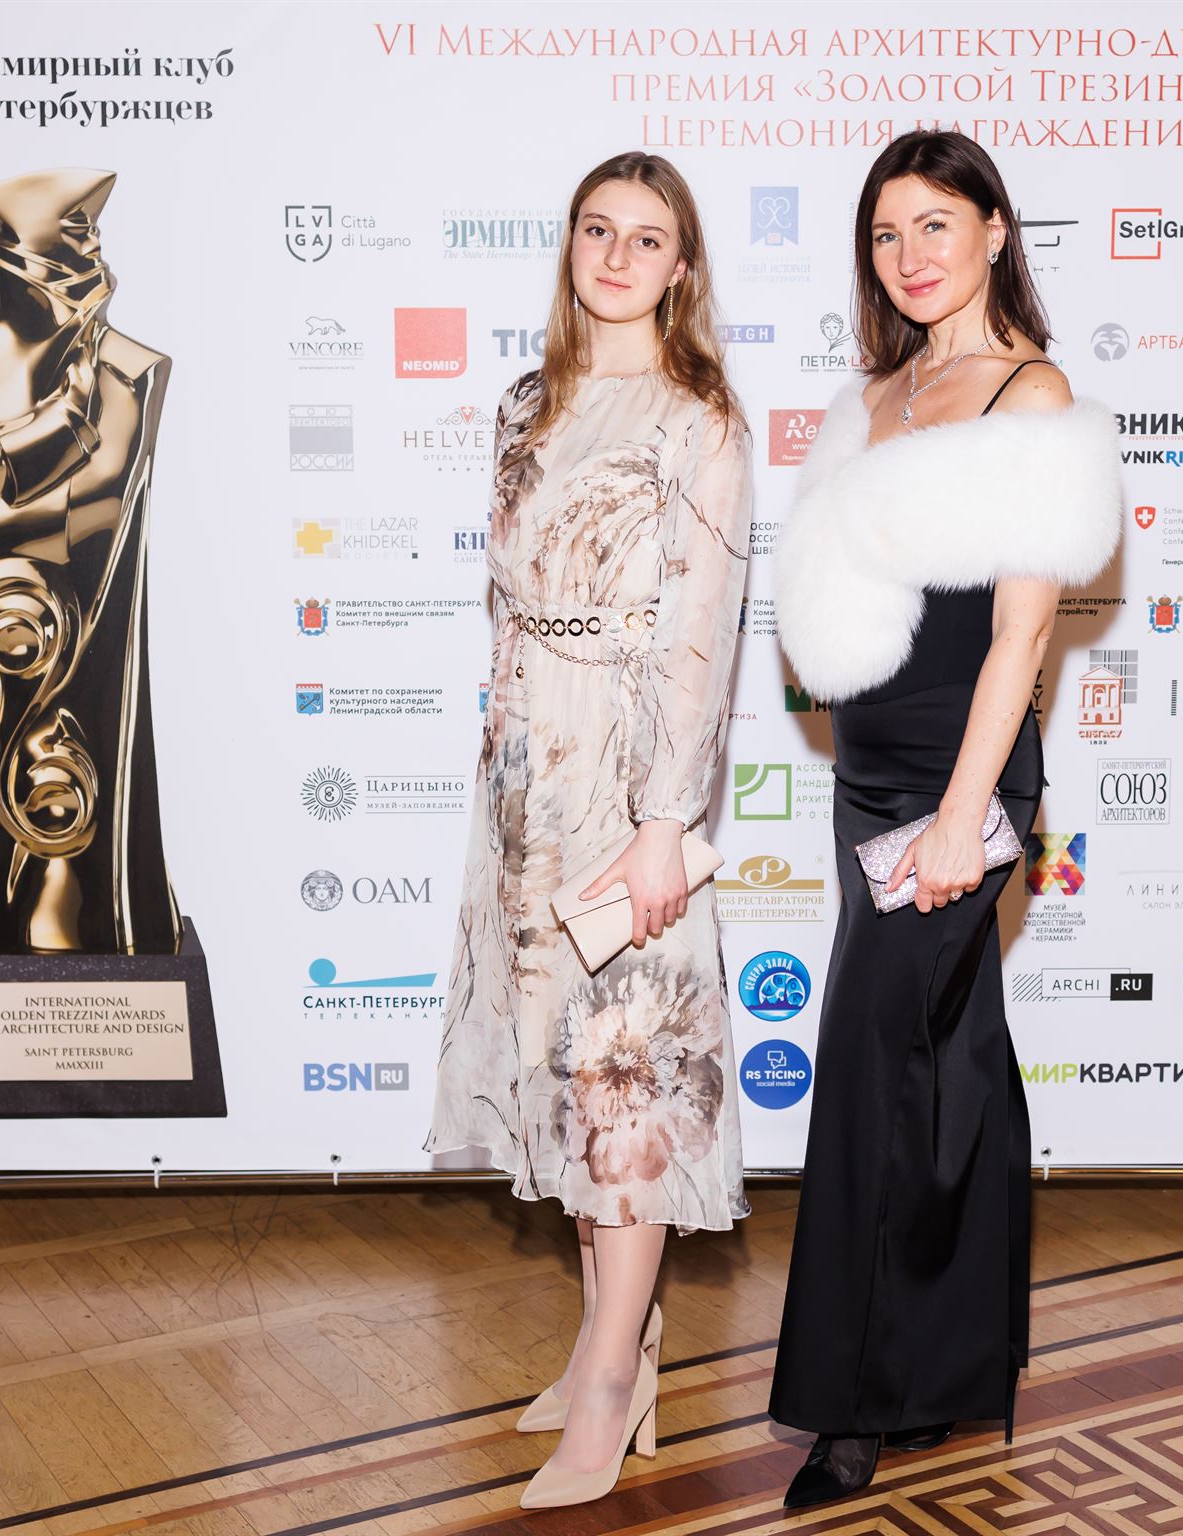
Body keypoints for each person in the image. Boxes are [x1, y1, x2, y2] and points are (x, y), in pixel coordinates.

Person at [769, 130, 1122, 1508]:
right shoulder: (876, 393)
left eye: (935, 225)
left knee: (876, 1062)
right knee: (950, 1059)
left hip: (963, 778)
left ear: (993, 230)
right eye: (885, 233)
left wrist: (962, 817)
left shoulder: (1034, 394)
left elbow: (1021, 635)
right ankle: (951, 1365)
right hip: (868, 772)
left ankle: (854, 1406)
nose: (910, 255)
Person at [425, 151, 752, 1511]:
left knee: (624, 1090)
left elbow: (701, 639)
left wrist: (667, 823)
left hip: (626, 783)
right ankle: (614, 1340)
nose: (617, 257)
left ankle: (615, 1383)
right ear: (569, 245)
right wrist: (502, 775)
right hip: (526, 780)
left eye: (647, 238)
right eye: (597, 230)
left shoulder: (700, 419)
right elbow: (508, 611)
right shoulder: (525, 402)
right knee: (562, 1079)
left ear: (682, 267)